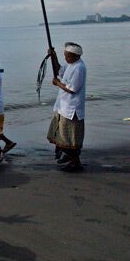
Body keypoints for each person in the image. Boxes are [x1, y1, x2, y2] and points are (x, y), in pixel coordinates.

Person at [47, 42, 87, 172]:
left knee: (69, 139)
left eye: (67, 56)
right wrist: (54, 57)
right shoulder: (70, 64)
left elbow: (72, 89)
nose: (66, 58)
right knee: (61, 135)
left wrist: (57, 83)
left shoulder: (79, 68)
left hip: (71, 108)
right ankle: (69, 158)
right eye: (65, 55)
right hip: (63, 106)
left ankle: (75, 162)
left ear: (75, 56)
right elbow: (59, 70)